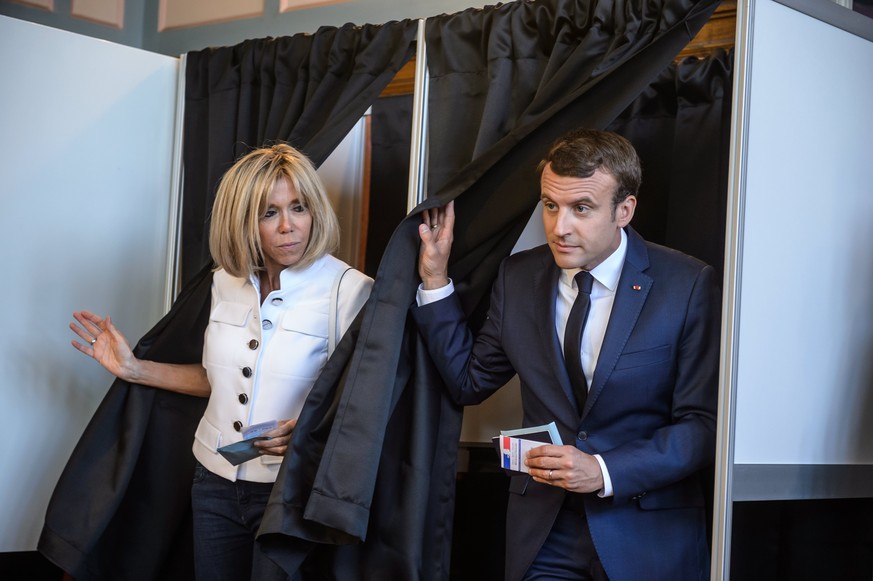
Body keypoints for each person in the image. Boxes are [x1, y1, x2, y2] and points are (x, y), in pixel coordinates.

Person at [412, 129, 719, 581]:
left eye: (582, 208)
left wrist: (602, 469)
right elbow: (468, 381)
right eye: (551, 206)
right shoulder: (517, 276)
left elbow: (703, 426)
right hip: (543, 530)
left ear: (624, 211)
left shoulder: (688, 284)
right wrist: (435, 280)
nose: (559, 227)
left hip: (645, 531)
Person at [68, 143, 373, 581]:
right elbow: (218, 381)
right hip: (214, 481)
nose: (289, 226)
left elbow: (362, 402)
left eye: (299, 207)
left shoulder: (351, 290)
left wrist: (309, 429)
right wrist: (133, 368)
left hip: (290, 491)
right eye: (269, 213)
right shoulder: (222, 284)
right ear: (243, 222)